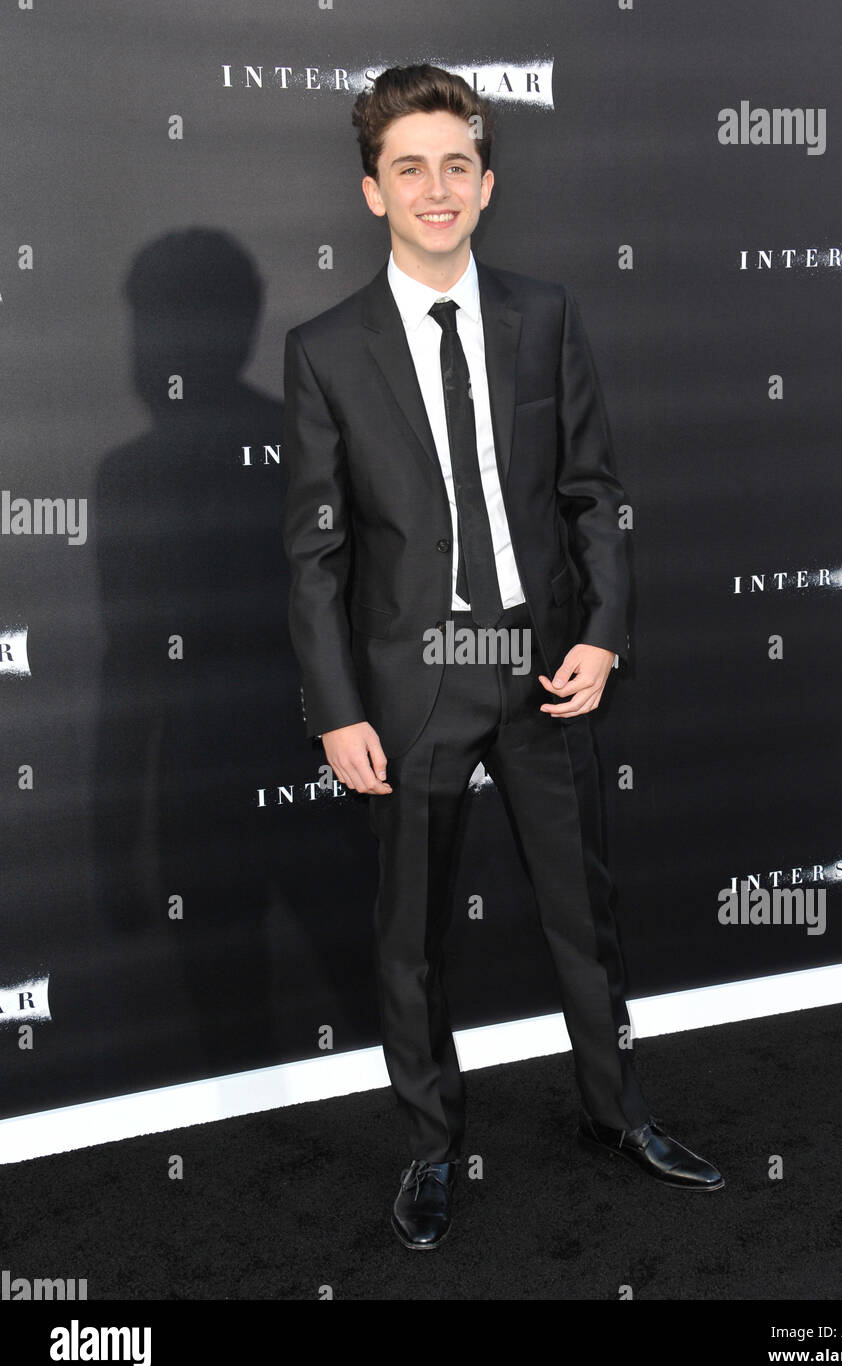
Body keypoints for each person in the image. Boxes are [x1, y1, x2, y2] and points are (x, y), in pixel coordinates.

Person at [282, 63, 724, 1251]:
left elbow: (594, 494)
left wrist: (600, 632)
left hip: (541, 667)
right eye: (408, 168)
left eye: (456, 165)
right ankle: (431, 1149)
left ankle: (614, 1112)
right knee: (409, 935)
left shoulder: (546, 314)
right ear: (371, 190)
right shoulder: (324, 350)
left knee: (585, 911)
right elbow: (316, 557)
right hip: (410, 685)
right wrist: (334, 707)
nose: (437, 189)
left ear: (488, 181)